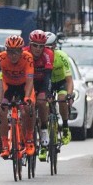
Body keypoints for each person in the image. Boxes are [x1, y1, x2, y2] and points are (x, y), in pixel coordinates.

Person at [0, 34, 35, 158]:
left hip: (24, 86)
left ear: (21, 51)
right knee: (1, 110)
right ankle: (5, 145)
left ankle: (29, 138)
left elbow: (30, 80)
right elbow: (0, 81)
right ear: (6, 51)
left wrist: (27, 97)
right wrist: (0, 99)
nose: (13, 55)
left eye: (16, 52)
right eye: (10, 51)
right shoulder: (0, 58)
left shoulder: (28, 58)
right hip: (8, 86)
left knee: (27, 109)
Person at [26, 29, 54, 160]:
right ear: (30, 44)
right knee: (26, 105)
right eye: (35, 45)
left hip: (42, 82)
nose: (38, 49)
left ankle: (43, 129)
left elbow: (48, 76)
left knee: (42, 102)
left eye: (41, 46)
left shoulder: (48, 54)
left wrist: (47, 93)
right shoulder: (24, 53)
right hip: (28, 82)